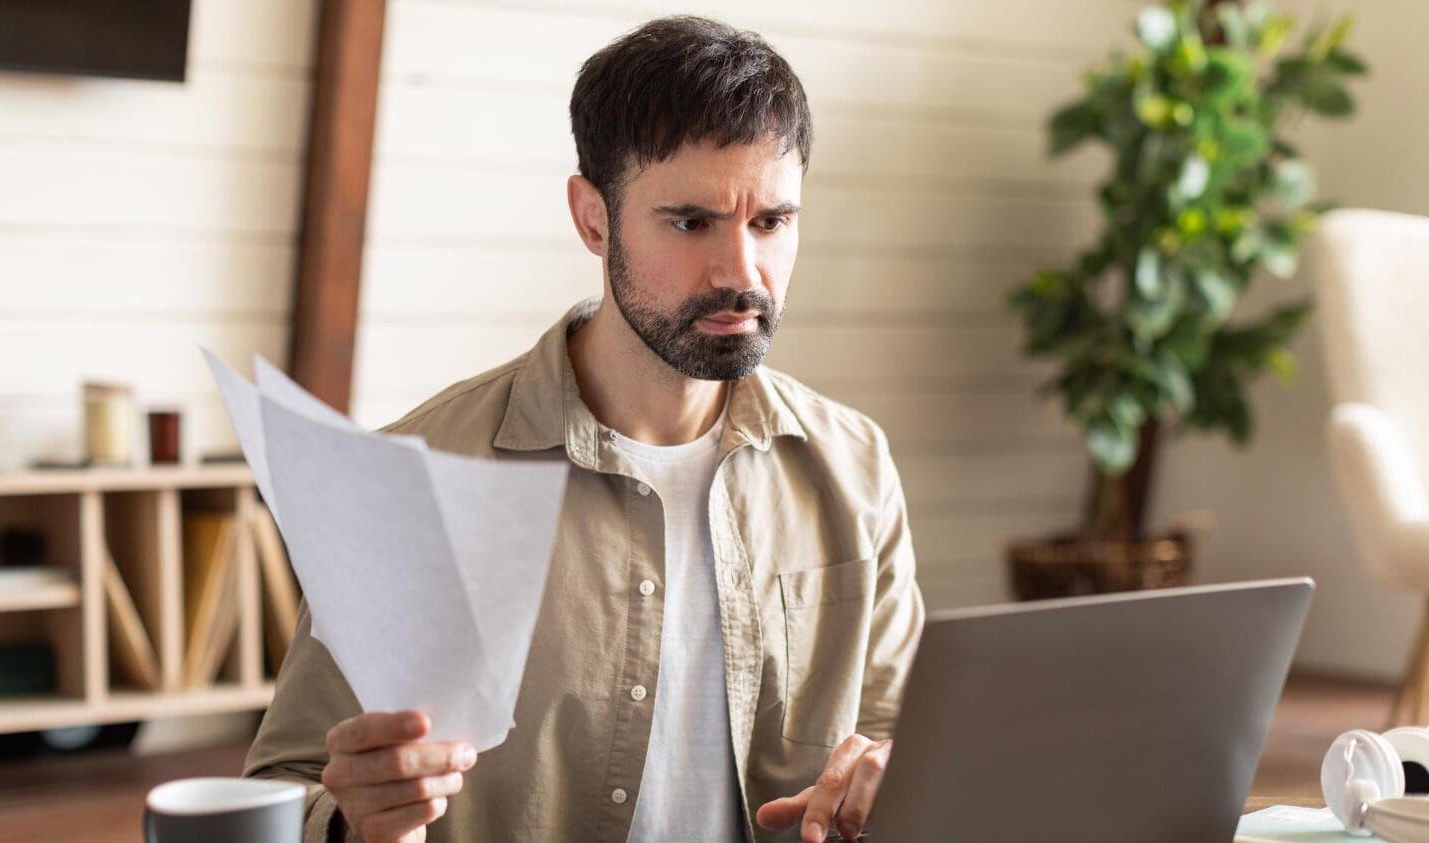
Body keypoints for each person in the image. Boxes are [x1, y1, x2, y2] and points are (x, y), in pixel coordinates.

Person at [244, 15, 924, 843]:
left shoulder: (855, 466)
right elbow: (286, 789)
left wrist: (889, 780)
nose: (741, 272)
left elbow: (902, 745)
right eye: (690, 221)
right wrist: (356, 823)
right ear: (593, 219)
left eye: (771, 222)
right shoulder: (414, 478)